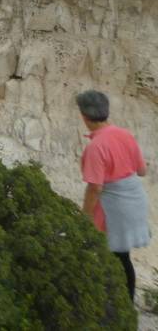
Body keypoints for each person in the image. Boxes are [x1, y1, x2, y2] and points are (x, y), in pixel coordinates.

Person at [77, 89, 150, 300]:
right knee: (122, 256)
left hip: (115, 208)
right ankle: (125, 305)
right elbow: (142, 171)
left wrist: (85, 218)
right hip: (135, 201)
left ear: (84, 115)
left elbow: (95, 188)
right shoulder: (124, 134)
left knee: (106, 255)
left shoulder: (96, 147)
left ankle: (109, 305)